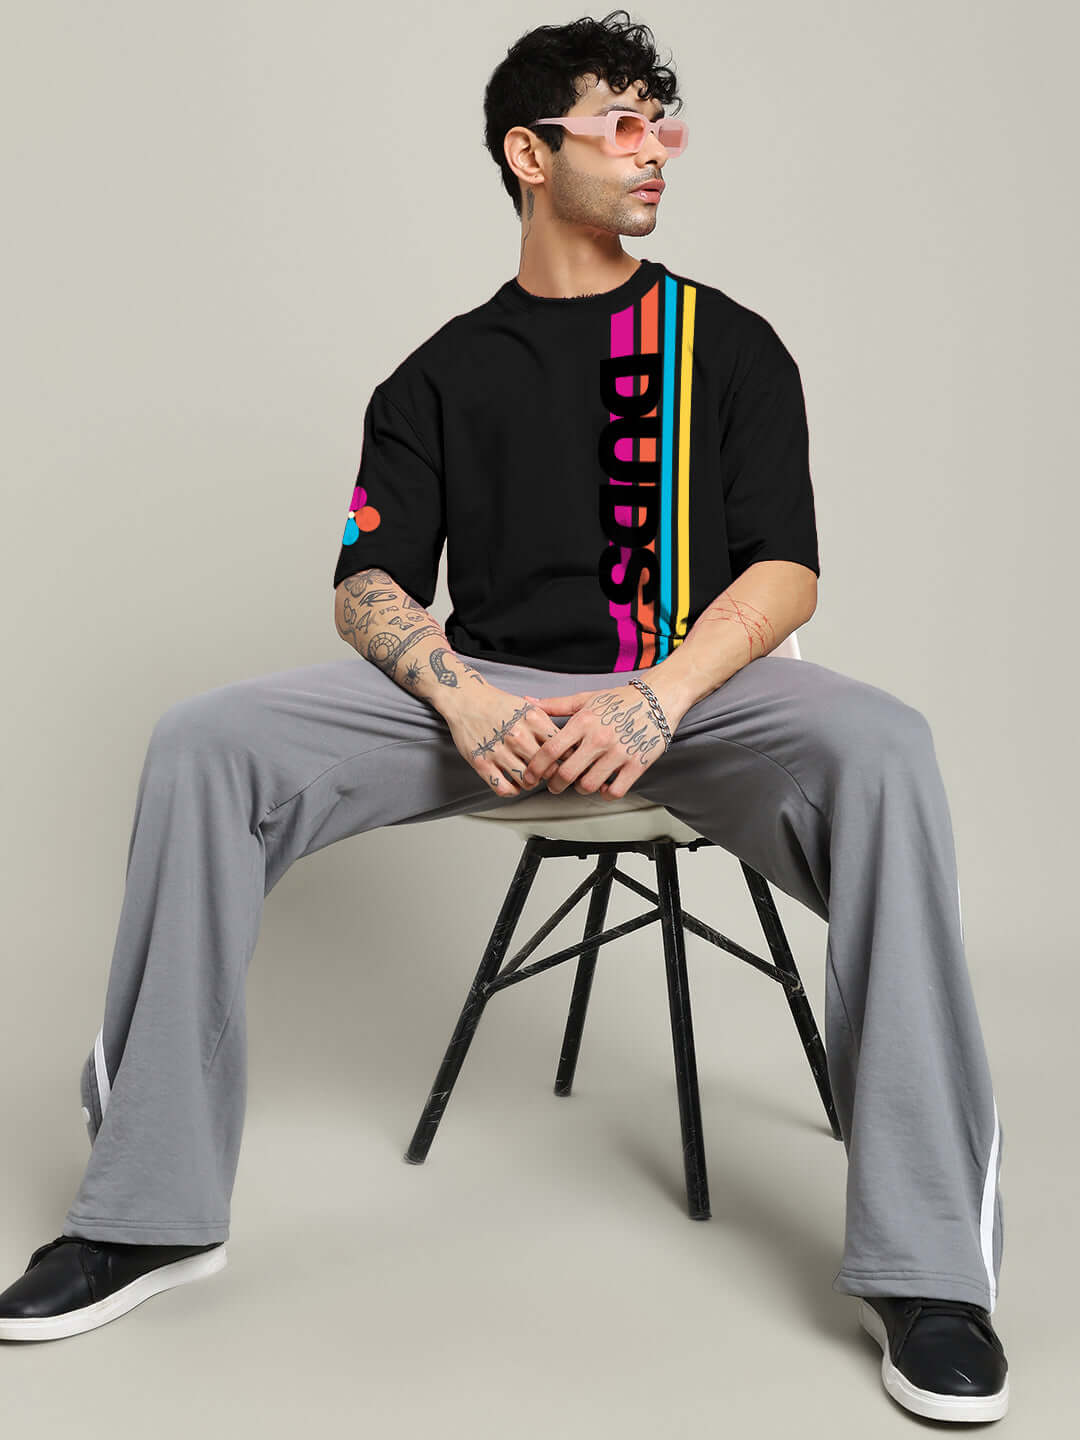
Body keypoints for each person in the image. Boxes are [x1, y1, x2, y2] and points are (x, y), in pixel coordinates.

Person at [0, 9, 1008, 1423]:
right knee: (203, 742)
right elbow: (366, 586)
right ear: (531, 155)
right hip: (486, 699)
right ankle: (148, 1209)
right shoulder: (437, 375)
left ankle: (928, 1267)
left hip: (698, 696)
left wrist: (660, 694)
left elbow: (785, 571)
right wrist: (460, 695)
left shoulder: (733, 343)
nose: (657, 149)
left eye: (667, 121)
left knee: (888, 747)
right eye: (623, 124)